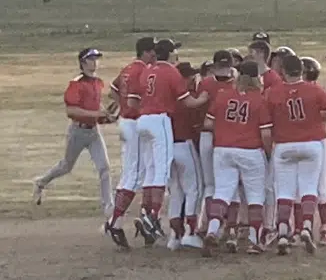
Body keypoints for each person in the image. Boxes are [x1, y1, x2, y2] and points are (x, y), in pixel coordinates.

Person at [261, 55, 326, 255]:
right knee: (308, 188)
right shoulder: (313, 89)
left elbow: (266, 125)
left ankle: (282, 232)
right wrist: (321, 117)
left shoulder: (273, 92)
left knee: (285, 192)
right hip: (311, 144)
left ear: (283, 72)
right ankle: (306, 226)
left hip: (284, 145)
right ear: (302, 71)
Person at [133, 39, 209, 244]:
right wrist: (204, 98)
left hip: (143, 120)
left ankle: (150, 214)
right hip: (162, 123)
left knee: (154, 171)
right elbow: (188, 102)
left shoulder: (147, 70)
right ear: (170, 54)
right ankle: (153, 216)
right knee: (167, 175)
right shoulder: (171, 73)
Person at [33, 48, 114, 218]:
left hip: (93, 132)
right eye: (91, 59)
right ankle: (41, 182)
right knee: (66, 166)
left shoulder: (98, 82)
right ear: (83, 62)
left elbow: (95, 106)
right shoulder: (76, 83)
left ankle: (109, 207)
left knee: (105, 168)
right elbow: (71, 110)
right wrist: (97, 114)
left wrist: (105, 116)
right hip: (77, 131)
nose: (95, 62)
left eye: (96, 58)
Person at [201, 61, 267, 256]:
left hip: (223, 149)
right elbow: (266, 133)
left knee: (222, 192)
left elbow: (208, 123)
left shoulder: (223, 95)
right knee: (255, 195)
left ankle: (212, 229)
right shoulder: (260, 99)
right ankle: (254, 240)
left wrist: (226, 129)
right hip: (250, 149)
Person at [103, 37, 156, 249]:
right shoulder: (141, 71)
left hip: (127, 122)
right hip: (133, 123)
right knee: (133, 176)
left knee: (139, 172)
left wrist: (120, 107)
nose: (155, 55)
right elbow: (134, 99)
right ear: (146, 52)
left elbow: (113, 90)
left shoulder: (128, 68)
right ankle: (114, 222)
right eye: (152, 51)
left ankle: (140, 219)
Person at [291, 57, 326, 247]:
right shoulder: (316, 90)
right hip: (317, 140)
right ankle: (321, 229)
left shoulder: (307, 90)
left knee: (308, 186)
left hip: (310, 140)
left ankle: (309, 229)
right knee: (317, 185)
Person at [196, 50, 236, 242]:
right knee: (230, 185)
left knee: (210, 185)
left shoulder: (206, 83)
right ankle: (227, 227)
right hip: (227, 139)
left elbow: (197, 104)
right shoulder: (235, 85)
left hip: (206, 135)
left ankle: (207, 225)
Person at [248, 39, 282, 247]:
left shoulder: (272, 78)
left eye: (251, 51)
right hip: (250, 138)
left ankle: (269, 227)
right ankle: (250, 227)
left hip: (267, 134)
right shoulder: (252, 75)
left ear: (261, 53)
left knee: (269, 186)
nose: (249, 53)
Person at [167, 62, 204, 251]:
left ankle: (174, 236)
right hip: (185, 144)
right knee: (193, 189)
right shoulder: (188, 98)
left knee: (176, 191)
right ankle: (190, 233)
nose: (193, 80)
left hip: (167, 148)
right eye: (190, 76)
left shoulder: (165, 96)